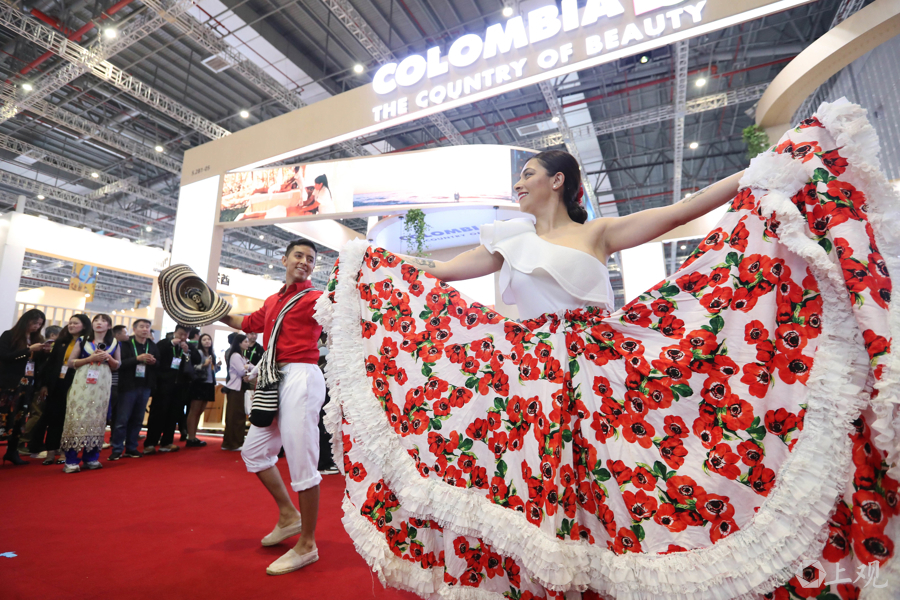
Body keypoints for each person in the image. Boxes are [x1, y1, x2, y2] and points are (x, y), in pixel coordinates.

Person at [317, 112, 899, 600]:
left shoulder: (598, 233)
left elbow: (679, 213)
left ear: (559, 180)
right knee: (532, 482)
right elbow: (440, 275)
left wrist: (760, 173)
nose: (520, 184)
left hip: (603, 370)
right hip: (526, 378)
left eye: (529, 173)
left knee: (614, 478)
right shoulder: (504, 238)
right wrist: (376, 267)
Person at [219, 238, 325, 576]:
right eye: (299, 255)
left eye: (310, 259)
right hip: (273, 379)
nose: (304, 262)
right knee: (253, 452)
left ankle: (307, 544)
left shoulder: (317, 298)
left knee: (301, 459)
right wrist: (210, 308)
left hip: (302, 377)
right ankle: (288, 515)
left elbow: (344, 317)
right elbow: (244, 323)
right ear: (283, 259)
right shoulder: (273, 300)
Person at [59, 314, 120, 473]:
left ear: (109, 326)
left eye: (103, 321)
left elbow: (117, 365)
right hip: (82, 383)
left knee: (98, 418)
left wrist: (109, 358)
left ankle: (91, 457)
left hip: (102, 385)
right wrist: (90, 358)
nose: (99, 323)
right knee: (77, 418)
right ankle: (71, 459)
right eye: (96, 321)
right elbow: (71, 363)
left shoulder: (114, 343)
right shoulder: (83, 341)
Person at [0, 309, 50, 465]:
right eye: (34, 323)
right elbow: (4, 356)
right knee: (4, 417)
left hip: (28, 385)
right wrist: (28, 350)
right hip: (10, 384)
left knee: (20, 418)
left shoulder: (37, 338)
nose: (36, 326)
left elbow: (38, 364)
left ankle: (12, 451)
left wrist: (44, 352)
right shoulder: (9, 335)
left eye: (40, 324)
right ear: (26, 321)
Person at [39, 314, 91, 465]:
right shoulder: (61, 342)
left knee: (69, 419)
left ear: (84, 326)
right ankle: (50, 452)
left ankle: (64, 451)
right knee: (53, 417)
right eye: (70, 323)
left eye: (76, 323)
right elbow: (50, 365)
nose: (71, 325)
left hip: (76, 383)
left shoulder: (88, 343)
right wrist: (44, 384)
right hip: (57, 384)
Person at [110, 319, 159, 460]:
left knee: (138, 419)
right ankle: (117, 448)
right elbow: (119, 364)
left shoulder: (152, 345)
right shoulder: (125, 344)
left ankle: (132, 447)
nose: (145, 329)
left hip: (145, 386)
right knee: (122, 419)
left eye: (147, 327)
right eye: (142, 327)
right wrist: (137, 358)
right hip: (128, 386)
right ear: (135, 329)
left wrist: (154, 362)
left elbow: (159, 364)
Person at [144, 324, 196, 454]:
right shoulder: (164, 343)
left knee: (173, 415)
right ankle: (150, 443)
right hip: (163, 385)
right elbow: (157, 357)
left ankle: (167, 442)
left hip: (180, 386)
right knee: (157, 414)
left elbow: (196, 360)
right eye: (181, 334)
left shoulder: (188, 346)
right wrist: (172, 344)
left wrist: (186, 351)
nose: (183, 337)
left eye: (186, 335)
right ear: (175, 332)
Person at [18, 324, 60, 457]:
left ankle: (23, 442)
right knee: (36, 414)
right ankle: (21, 441)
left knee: (35, 414)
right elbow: (42, 369)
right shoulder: (39, 348)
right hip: (34, 385)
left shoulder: (42, 348)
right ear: (52, 336)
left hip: (34, 384)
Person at [185, 333, 220, 447]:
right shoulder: (197, 353)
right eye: (204, 339)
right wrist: (203, 365)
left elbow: (212, 370)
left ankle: (194, 436)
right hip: (198, 384)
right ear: (200, 341)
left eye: (208, 339)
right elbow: (192, 368)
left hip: (209, 384)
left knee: (200, 411)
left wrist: (217, 366)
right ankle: (190, 437)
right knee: (194, 411)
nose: (207, 341)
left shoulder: (211, 354)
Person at [222, 334, 253, 452]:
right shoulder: (235, 355)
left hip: (241, 389)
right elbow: (241, 371)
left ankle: (236, 441)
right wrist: (247, 370)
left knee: (239, 415)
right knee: (234, 416)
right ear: (239, 343)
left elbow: (253, 368)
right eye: (245, 341)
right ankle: (232, 443)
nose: (247, 343)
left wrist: (248, 369)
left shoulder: (242, 356)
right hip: (235, 389)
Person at [103, 324, 130, 448]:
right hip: (110, 383)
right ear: (117, 335)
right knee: (106, 413)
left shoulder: (126, 346)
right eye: (125, 333)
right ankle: (101, 439)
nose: (127, 335)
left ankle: (115, 439)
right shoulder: (110, 347)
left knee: (118, 414)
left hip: (122, 385)